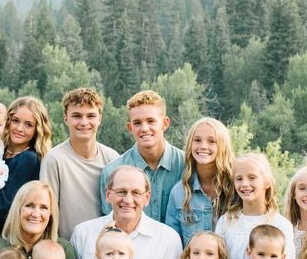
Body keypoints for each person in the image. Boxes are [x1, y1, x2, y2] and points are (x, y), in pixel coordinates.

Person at [40, 88, 119, 240]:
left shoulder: (112, 158)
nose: (84, 122)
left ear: (99, 119)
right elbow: (49, 211)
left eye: (91, 116)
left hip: (106, 247)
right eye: (76, 116)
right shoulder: (54, 160)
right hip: (68, 247)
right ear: (66, 119)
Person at [99, 90, 183, 223]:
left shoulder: (186, 166)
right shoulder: (112, 173)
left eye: (151, 121)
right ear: (130, 127)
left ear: (165, 123)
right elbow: (110, 223)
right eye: (137, 123)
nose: (144, 128)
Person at [215, 153, 296, 259]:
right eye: (239, 179)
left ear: (267, 182)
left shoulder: (281, 225)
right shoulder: (225, 223)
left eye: (252, 177)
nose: (245, 184)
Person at [0, 96, 53, 230]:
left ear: (37, 129)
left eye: (28, 125)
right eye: (15, 121)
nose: (19, 129)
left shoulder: (30, 159)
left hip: (3, 231)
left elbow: (5, 206)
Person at [165, 118, 235, 246]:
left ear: (223, 146)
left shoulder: (235, 188)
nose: (203, 146)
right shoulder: (179, 192)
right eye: (197, 140)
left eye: (212, 141)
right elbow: (172, 245)